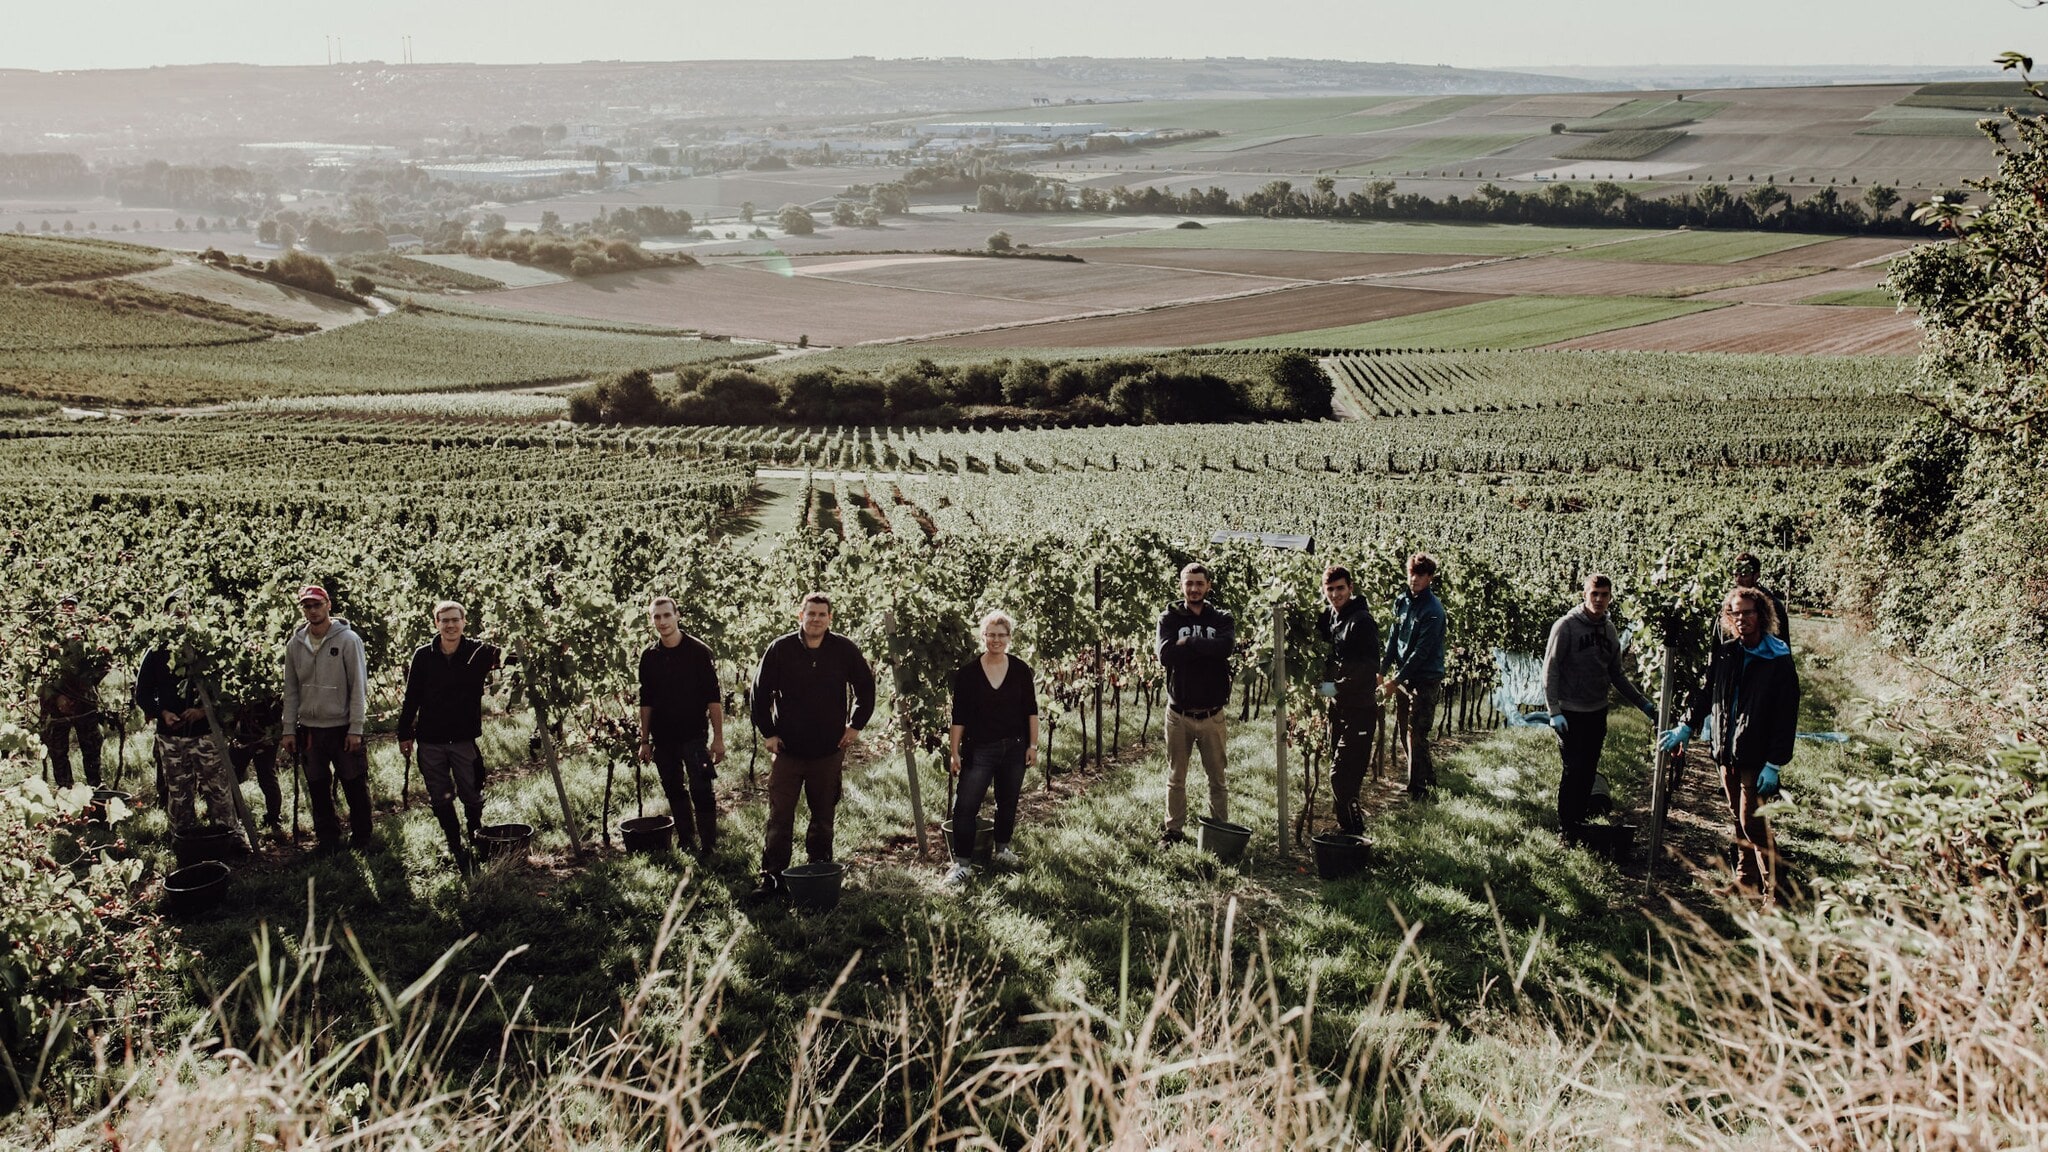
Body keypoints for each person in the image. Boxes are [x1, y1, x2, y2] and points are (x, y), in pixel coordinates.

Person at [1661, 586, 1800, 896]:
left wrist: (1775, 763)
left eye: (1747, 612)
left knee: (1752, 822)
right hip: (1727, 748)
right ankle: (1746, 880)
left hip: (1757, 751)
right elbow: (1707, 691)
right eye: (1735, 613)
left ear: (1761, 615)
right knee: (1739, 819)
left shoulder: (1777, 659)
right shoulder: (1727, 653)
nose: (1741, 619)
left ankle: (1778, 892)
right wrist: (1686, 726)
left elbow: (1786, 714)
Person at [747, 593, 875, 901]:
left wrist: (855, 726)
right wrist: (769, 733)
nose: (816, 619)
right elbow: (759, 693)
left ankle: (819, 870)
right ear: (800, 615)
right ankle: (773, 876)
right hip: (788, 751)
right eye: (811, 613)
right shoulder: (781, 649)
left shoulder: (843, 649)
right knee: (780, 816)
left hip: (827, 751)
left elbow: (866, 688)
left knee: (823, 816)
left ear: (830, 618)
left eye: (822, 614)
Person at [1542, 574, 1657, 845]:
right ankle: (1566, 828)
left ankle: (1578, 823)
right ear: (1585, 594)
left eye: (1604, 595)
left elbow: (1616, 674)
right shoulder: (1566, 626)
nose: (1598, 599)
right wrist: (1554, 710)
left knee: (1588, 769)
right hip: (1569, 712)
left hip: (1596, 711)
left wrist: (1643, 704)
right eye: (1594, 593)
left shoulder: (1610, 630)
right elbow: (1551, 669)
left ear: (1610, 598)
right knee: (1573, 769)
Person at [133, 595, 248, 850]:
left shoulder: (207, 649)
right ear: (164, 616)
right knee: (179, 791)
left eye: (184, 613)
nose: (179, 619)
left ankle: (231, 837)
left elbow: (228, 691)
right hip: (171, 736)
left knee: (217, 788)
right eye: (173, 613)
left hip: (205, 734)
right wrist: (162, 713)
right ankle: (184, 841)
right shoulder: (155, 652)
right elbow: (142, 693)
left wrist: (203, 712)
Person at [399, 600, 503, 870]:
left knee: (471, 791)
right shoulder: (423, 655)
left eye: (455, 619)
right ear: (436, 623)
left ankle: (475, 834)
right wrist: (404, 733)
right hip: (430, 739)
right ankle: (454, 842)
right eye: (444, 620)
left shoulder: (478, 652)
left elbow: (514, 657)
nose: (450, 625)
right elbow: (412, 697)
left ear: (464, 622)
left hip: (463, 738)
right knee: (440, 795)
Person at [944, 610, 1040, 887]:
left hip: (1015, 748)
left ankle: (1002, 850)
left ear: (1009, 638)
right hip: (980, 750)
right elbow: (958, 717)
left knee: (1007, 801)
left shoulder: (1021, 670)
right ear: (983, 636)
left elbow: (1031, 711)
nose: (996, 639)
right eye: (991, 634)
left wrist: (1032, 745)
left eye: (1001, 635)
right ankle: (962, 864)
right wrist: (954, 751)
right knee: (965, 806)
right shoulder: (968, 674)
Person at [279, 584, 374, 852]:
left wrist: (356, 727)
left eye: (317, 605)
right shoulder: (295, 645)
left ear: (328, 605)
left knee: (354, 783)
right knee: (317, 786)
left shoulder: (348, 640)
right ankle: (328, 839)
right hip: (310, 728)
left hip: (342, 727)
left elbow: (358, 686)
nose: (312, 610)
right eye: (307, 606)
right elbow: (291, 689)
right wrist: (288, 728)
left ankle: (362, 838)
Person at [635, 596, 726, 857]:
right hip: (663, 738)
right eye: (656, 617)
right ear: (651, 620)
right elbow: (646, 700)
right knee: (674, 789)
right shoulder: (649, 656)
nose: (662, 621)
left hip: (695, 736)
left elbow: (713, 699)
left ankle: (709, 847)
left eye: (666, 615)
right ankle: (687, 841)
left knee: (702, 789)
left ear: (678, 615)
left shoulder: (698, 652)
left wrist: (718, 739)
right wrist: (644, 740)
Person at [1157, 562, 1235, 845]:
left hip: (1212, 714)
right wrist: (1206, 650)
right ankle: (1173, 831)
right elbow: (1165, 655)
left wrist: (1187, 642)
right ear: (1181, 585)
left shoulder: (1222, 617)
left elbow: (1225, 648)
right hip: (1178, 714)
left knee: (1217, 778)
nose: (1193, 589)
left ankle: (1219, 832)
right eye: (1188, 583)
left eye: (1199, 583)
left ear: (1208, 586)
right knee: (1176, 777)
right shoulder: (1170, 617)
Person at [1316, 566, 1380, 834]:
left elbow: (1366, 671)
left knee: (1342, 777)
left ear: (1351, 588)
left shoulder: (1362, 621)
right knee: (1342, 776)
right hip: (1339, 710)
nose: (1335, 594)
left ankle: (1356, 834)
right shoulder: (1332, 616)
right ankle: (1348, 835)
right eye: (1329, 589)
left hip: (1360, 710)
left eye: (1340, 588)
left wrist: (1331, 689)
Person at [1383, 552, 1447, 800]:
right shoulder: (1401, 601)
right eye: (1411, 573)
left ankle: (1418, 791)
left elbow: (1421, 653)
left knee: (1416, 733)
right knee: (1404, 732)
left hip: (1425, 679)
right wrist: (1382, 670)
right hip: (1403, 677)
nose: (1414, 579)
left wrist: (1396, 679)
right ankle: (1428, 780)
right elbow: (1392, 639)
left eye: (1420, 575)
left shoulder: (1433, 610)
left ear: (1429, 577)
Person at [38, 594, 109, 790]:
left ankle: (95, 791)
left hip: (83, 702)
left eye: (72, 606)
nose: (68, 609)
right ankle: (66, 794)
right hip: (55, 705)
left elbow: (102, 665)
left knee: (91, 748)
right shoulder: (46, 636)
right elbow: (39, 671)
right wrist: (57, 696)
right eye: (64, 606)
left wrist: (83, 688)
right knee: (58, 751)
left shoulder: (88, 634)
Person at [1721, 552, 1790, 646]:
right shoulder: (1730, 603)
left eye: (1744, 575)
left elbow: (1782, 643)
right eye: (1736, 575)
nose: (1738, 579)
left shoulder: (1772, 605)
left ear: (1756, 576)